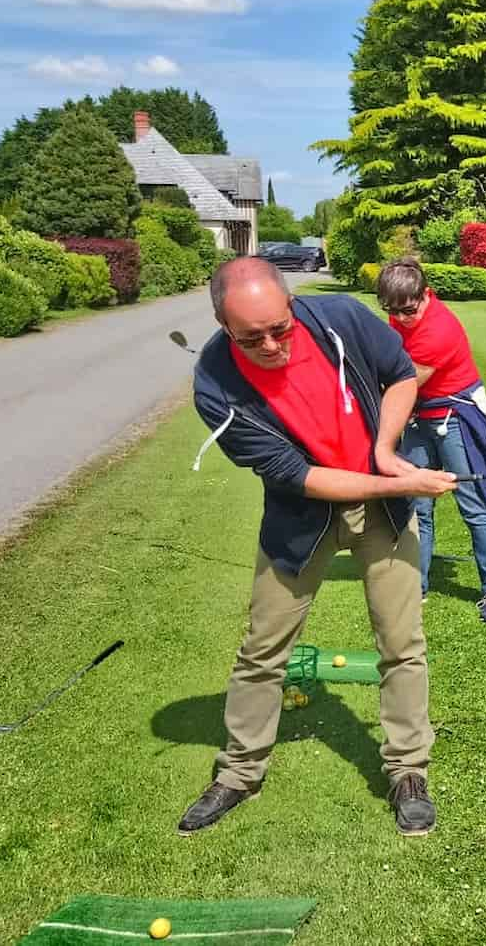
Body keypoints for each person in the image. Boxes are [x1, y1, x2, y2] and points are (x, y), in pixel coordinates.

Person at [185, 257, 458, 838]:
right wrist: (402, 480)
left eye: (278, 328)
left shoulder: (338, 317)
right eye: (250, 337)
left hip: (382, 511)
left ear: (290, 306)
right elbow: (301, 477)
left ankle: (408, 770)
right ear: (220, 323)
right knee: (262, 650)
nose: (271, 345)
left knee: (401, 644)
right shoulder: (215, 383)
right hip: (300, 518)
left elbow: (401, 374)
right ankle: (239, 772)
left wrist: (386, 451)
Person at [375, 258, 486, 623]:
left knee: (474, 505)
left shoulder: (439, 330)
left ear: (426, 295)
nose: (401, 318)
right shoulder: (401, 311)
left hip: (456, 419)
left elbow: (403, 386)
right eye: (393, 311)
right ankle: (414, 586)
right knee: (416, 505)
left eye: (408, 310)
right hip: (422, 417)